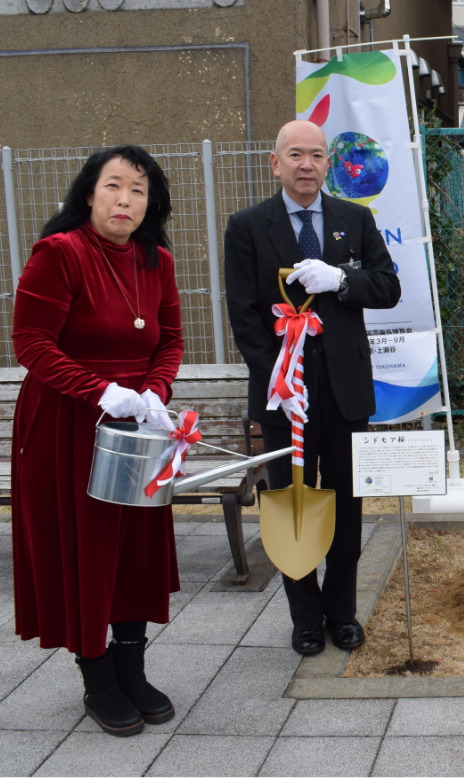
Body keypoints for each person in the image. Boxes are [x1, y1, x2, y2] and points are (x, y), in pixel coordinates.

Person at [12, 146, 182, 737]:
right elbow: (31, 343)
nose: (125, 200)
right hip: (69, 422)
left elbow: (170, 340)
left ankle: (133, 669)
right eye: (115, 186)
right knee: (84, 547)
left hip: (138, 423)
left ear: (149, 203)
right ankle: (99, 677)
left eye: (139, 190)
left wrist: (155, 390)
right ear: (89, 193)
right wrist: (101, 391)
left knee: (135, 546)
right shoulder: (58, 254)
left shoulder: (155, 260)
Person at [225, 120, 401, 657]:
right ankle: (304, 619)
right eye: (295, 154)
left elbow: (388, 287)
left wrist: (341, 280)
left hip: (344, 391)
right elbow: (244, 314)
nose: (307, 164)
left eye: (317, 155)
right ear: (275, 164)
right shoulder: (249, 226)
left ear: (329, 165)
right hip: (287, 396)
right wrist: (279, 376)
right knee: (290, 502)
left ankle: (341, 614)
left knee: (347, 503)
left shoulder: (355, 218)